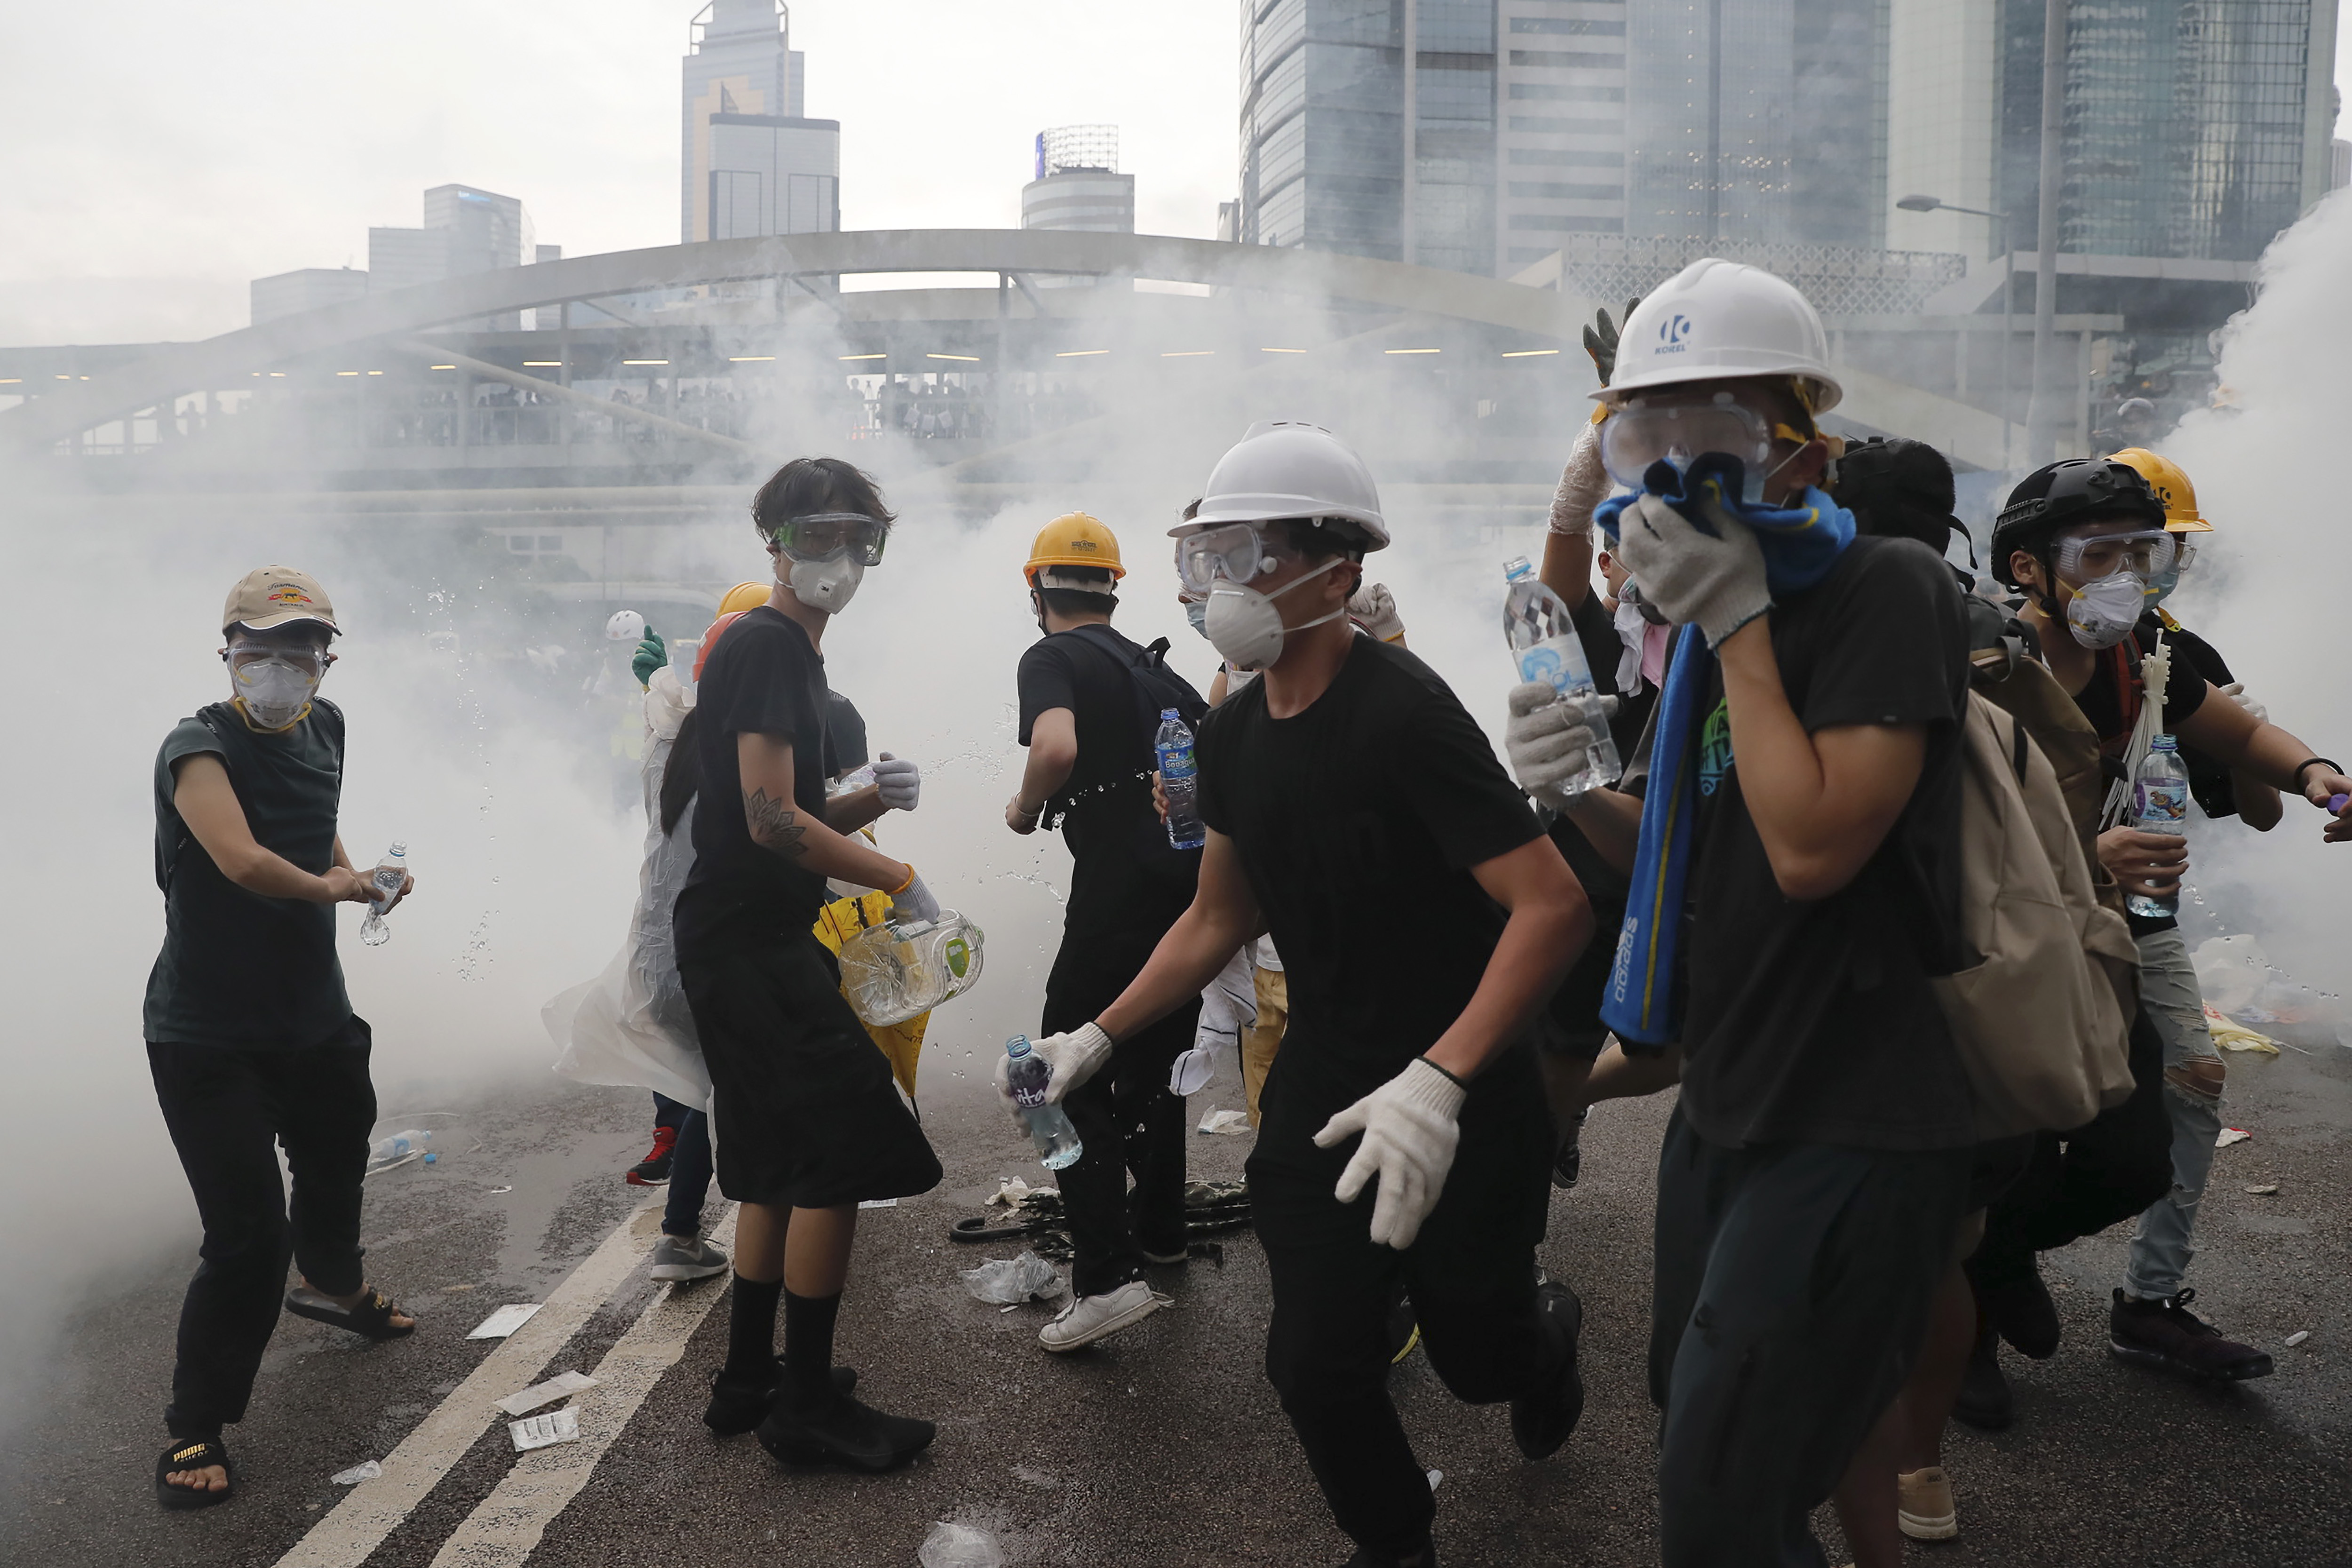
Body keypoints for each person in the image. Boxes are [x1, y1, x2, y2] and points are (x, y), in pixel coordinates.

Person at [1005, 422, 1593, 1568]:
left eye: (1251, 554)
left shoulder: (1407, 715)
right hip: (1326, 1083)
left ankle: (1547, 1337)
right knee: (1315, 1359)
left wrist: (1441, 1079)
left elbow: (1553, 902)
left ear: (1338, 571)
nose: (1222, 584)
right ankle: (1394, 1539)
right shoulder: (1227, 735)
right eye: (1212, 554)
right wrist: (1095, 1033)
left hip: (1461, 1083)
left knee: (1476, 1356)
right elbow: (1218, 916)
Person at [1513, 260, 1982, 1567]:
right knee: (1699, 1410)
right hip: (1731, 1092)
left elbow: (1818, 841)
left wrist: (1739, 616)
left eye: (1710, 432)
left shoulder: (1885, 591)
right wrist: (1572, 786)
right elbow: (1698, 853)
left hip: (1861, 1105)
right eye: (1641, 433)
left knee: (1720, 1494)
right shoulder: (1701, 636)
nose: (1670, 469)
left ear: (1798, 454)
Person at [1983, 455, 2352, 1398]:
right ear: (2028, 566)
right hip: (2006, 932)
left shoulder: (2141, 655)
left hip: (2119, 927)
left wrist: (2318, 771)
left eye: (2143, 552)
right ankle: (1961, 1330)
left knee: (2155, 1122)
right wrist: (2084, 856)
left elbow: (2230, 731)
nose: (2126, 574)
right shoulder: (1985, 664)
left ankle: (2013, 1258)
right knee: (2004, 1119)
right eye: (2098, 551)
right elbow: (1954, 830)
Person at [673, 458, 943, 1471]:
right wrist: (896, 871)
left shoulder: (776, 649)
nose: (840, 557)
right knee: (840, 1145)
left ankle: (750, 1378)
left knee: (774, 1160)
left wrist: (869, 800)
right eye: (818, 535)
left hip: (739, 931)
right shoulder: (770, 643)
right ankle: (804, 1410)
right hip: (751, 941)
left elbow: (774, 819)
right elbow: (770, 819)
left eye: (859, 539)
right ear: (775, 542)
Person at [146, 567, 418, 1509]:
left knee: (339, 1157)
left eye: (305, 646)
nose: (286, 664)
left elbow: (314, 829)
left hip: (315, 1015)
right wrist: (331, 888)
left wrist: (363, 873)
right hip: (208, 1033)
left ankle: (336, 1285)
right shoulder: (196, 746)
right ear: (229, 649)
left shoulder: (327, 723)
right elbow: (242, 858)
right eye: (265, 645)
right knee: (248, 1233)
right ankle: (196, 1424)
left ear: (325, 657)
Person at [1003, 512, 1207, 1350]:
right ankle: (1158, 1230)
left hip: (1115, 902)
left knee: (1045, 1073)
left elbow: (1054, 747)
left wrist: (1022, 809)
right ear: (1113, 587)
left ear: (1036, 587)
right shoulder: (1158, 669)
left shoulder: (1050, 656)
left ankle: (1105, 1278)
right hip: (1189, 901)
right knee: (1156, 1068)